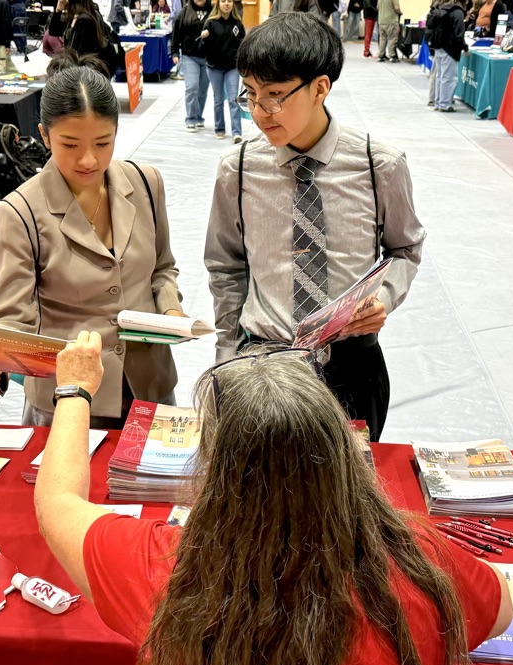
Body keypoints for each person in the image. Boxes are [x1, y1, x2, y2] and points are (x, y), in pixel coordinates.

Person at [34, 333, 513, 665]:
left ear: (215, 472)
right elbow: (501, 609)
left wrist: (74, 390)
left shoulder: (166, 571)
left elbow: (56, 502)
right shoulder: (417, 561)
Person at [205, 14, 425, 442]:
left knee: (345, 499)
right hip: (262, 368)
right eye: (249, 95)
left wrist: (383, 297)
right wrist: (227, 357)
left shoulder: (378, 164)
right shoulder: (239, 168)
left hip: (351, 368)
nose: (259, 113)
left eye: (274, 97)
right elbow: (225, 264)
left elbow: (405, 248)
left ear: (320, 87)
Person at [0, 52, 186, 428]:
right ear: (43, 135)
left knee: (153, 487)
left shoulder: (146, 183)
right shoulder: (21, 212)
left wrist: (170, 312)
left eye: (103, 143)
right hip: (68, 400)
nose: (88, 159)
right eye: (70, 145)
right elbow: (11, 317)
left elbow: (163, 267)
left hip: (150, 387)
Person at [201, 0, 245, 142]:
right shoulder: (211, 23)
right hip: (214, 67)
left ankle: (237, 132)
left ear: (233, 4)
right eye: (223, 1)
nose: (227, 4)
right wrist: (205, 38)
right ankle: (219, 128)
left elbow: (243, 45)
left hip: (232, 67)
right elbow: (203, 48)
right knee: (218, 99)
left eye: (229, 1)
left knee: (233, 99)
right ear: (218, 4)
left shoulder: (238, 24)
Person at [50, 0, 122, 75]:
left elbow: (80, 52)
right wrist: (58, 10)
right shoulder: (74, 16)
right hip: (79, 68)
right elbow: (54, 31)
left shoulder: (85, 20)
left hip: (85, 71)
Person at [171, 0, 212, 132]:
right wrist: (175, 52)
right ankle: (190, 118)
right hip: (189, 56)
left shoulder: (213, 12)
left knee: (203, 90)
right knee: (192, 87)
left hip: (207, 57)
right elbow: (176, 33)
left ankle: (199, 117)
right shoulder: (185, 12)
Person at [432, 0, 466, 113]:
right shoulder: (457, 12)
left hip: (438, 45)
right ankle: (445, 104)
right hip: (450, 48)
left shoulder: (441, 8)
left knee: (440, 76)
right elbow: (459, 33)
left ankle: (438, 102)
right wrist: (464, 47)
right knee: (449, 78)